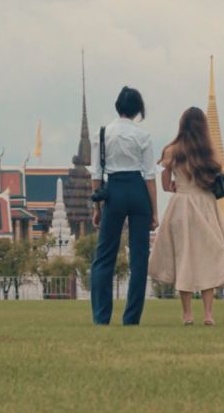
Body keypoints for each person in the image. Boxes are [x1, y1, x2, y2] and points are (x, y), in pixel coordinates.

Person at [149, 106, 224, 326]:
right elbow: (214, 180)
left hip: (181, 206)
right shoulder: (207, 152)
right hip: (205, 205)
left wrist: (177, 185)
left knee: (185, 259)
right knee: (207, 258)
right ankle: (208, 314)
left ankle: (187, 314)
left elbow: (164, 184)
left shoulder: (171, 150)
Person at [90, 87, 159, 326]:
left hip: (114, 190)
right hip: (138, 189)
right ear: (137, 110)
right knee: (139, 258)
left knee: (104, 257)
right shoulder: (143, 136)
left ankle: (101, 317)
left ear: (117, 107)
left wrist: (97, 209)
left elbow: (96, 174)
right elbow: (150, 176)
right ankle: (131, 319)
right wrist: (154, 211)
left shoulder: (102, 134)